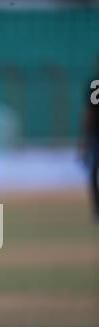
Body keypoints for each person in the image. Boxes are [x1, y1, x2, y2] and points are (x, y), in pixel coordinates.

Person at [81, 77, 99, 222]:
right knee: (94, 171)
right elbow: (89, 112)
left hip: (95, 135)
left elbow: (89, 112)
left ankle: (96, 210)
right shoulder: (95, 84)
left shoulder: (95, 83)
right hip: (95, 135)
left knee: (94, 172)